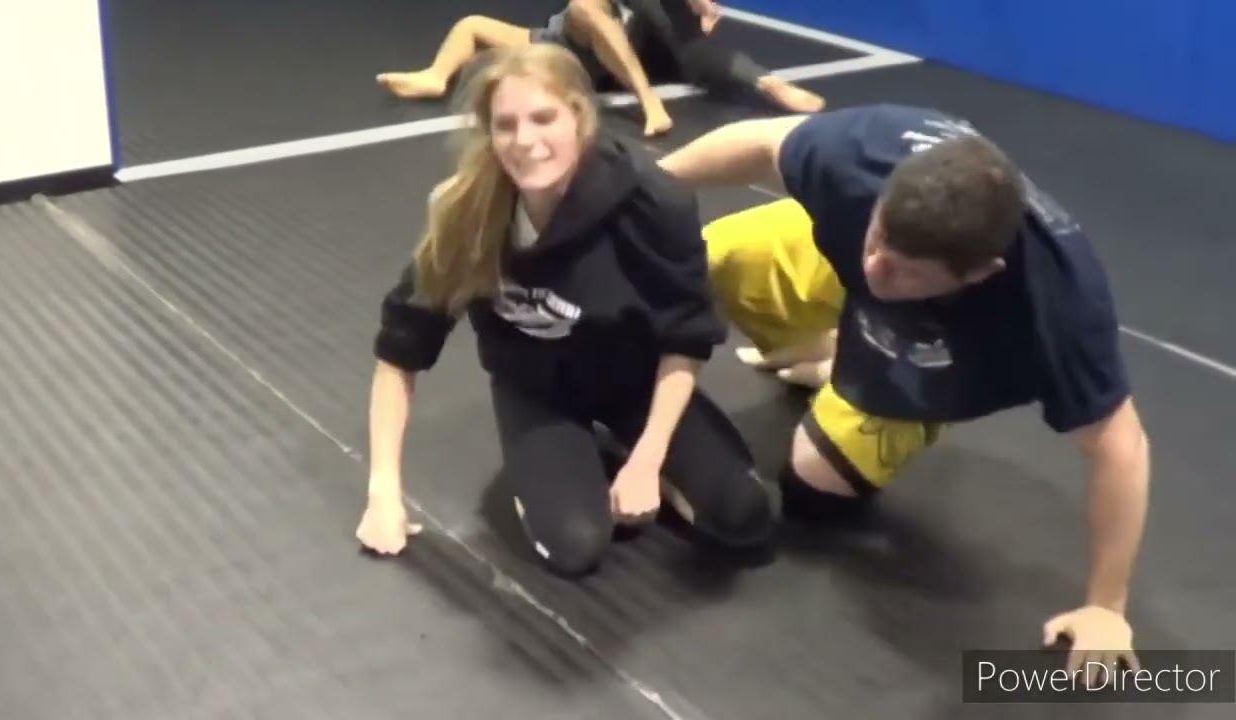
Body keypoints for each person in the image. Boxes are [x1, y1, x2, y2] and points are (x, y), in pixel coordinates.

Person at [657, 104, 1150, 679]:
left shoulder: (1058, 309)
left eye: (906, 268)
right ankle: (832, 339)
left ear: (980, 273)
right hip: (846, 248)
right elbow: (763, 141)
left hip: (945, 351)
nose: (876, 268)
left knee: (816, 489)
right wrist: (641, 187)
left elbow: (1122, 449)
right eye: (879, 239)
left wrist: (1106, 606)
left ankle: (859, 365)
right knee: (707, 257)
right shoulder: (863, 158)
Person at [356, 43, 777, 579]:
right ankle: (553, 468)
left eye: (543, 118)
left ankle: (633, 450)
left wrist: (647, 459)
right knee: (575, 547)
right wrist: (383, 493)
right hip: (538, 390)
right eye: (505, 125)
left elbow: (686, 338)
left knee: (744, 519)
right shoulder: (466, 213)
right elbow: (400, 352)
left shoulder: (653, 201)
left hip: (636, 380)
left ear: (579, 115)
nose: (525, 141)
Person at [375, 0, 824, 138]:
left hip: (619, 56)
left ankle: (765, 82)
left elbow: (695, 34)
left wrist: (702, 5)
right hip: (570, 46)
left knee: (696, 54)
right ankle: (436, 76)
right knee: (473, 24)